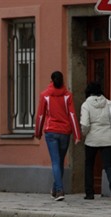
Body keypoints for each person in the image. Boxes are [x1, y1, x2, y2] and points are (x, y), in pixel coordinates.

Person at [34, 71, 81, 201]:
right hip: (65, 132)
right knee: (59, 161)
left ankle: (59, 190)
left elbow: (40, 115)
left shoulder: (45, 95)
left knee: (55, 162)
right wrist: (77, 134)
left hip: (51, 132)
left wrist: (37, 132)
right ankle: (55, 189)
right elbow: (72, 115)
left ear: (51, 81)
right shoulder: (67, 96)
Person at [80, 81, 111, 201]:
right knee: (108, 165)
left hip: (92, 140)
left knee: (89, 165)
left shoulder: (86, 105)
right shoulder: (109, 103)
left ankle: (89, 193)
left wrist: (85, 134)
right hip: (109, 139)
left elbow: (85, 124)